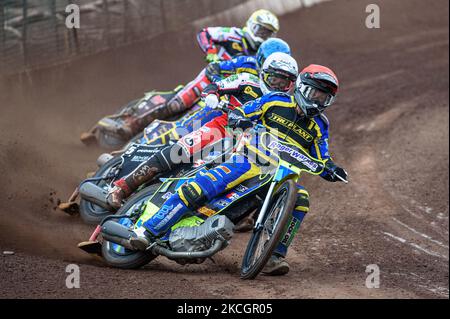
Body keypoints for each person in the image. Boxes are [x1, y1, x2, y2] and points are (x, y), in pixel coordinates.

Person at [125, 63, 348, 276]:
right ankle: (147, 230)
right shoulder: (275, 100)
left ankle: (273, 257)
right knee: (202, 187)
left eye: (323, 97)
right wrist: (240, 118)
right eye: (314, 94)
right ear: (301, 87)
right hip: (248, 161)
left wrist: (332, 169)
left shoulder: (320, 125)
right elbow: (244, 111)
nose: (317, 101)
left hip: (279, 178)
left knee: (301, 197)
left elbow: (323, 156)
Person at [106, 43, 294, 209]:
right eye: (274, 79)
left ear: (291, 85)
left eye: (283, 82)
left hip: (248, 144)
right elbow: (215, 87)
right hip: (220, 128)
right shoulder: (246, 80)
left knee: (254, 176)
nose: (277, 85)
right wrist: (212, 95)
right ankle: (122, 187)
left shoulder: (285, 104)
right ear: (264, 74)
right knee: (177, 152)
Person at [117, 10, 280, 139]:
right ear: (251, 25)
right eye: (261, 30)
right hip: (209, 77)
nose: (262, 36)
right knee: (177, 104)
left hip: (225, 90)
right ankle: (131, 123)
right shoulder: (233, 35)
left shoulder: (262, 55)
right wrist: (211, 52)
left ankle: (159, 139)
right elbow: (205, 33)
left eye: (268, 34)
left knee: (193, 119)